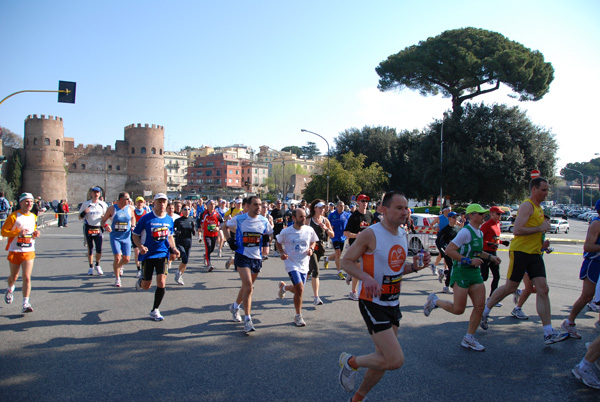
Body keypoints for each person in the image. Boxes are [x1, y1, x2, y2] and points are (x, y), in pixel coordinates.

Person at [338, 191, 431, 402]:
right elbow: (346, 262)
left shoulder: (402, 234)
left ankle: (357, 398)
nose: (404, 212)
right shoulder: (370, 234)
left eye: (405, 208)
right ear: (383, 209)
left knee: (383, 358)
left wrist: (415, 266)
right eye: (398, 208)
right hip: (372, 302)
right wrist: (365, 278)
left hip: (393, 301)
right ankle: (351, 362)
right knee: (395, 360)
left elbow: (396, 269)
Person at [480, 178, 568, 345]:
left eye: (547, 190)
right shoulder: (527, 205)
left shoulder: (539, 208)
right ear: (534, 190)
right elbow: (518, 230)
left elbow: (535, 232)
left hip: (535, 254)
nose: (546, 193)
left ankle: (548, 332)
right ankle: (485, 311)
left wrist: (543, 243)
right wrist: (540, 228)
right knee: (510, 287)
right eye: (544, 190)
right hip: (520, 252)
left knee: (543, 289)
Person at [424, 204, 502, 351]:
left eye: (483, 213)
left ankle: (469, 338)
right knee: (459, 309)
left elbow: (476, 253)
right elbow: (449, 250)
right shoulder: (465, 232)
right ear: (470, 216)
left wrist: (491, 257)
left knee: (479, 307)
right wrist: (467, 260)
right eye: (480, 214)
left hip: (474, 273)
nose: (483, 216)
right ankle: (435, 301)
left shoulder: (479, 232)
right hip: (461, 272)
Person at [225, 196, 273, 334]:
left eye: (260, 205)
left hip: (257, 258)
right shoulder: (240, 218)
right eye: (255, 205)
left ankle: (235, 306)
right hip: (242, 256)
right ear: (248, 206)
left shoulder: (264, 221)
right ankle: (247, 319)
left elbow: (270, 234)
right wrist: (229, 240)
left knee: (247, 287)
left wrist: (266, 241)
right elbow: (224, 226)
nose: (258, 207)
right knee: (248, 287)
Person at [132, 193, 180, 321]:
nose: (162, 204)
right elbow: (135, 235)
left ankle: (155, 310)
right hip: (148, 255)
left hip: (163, 253)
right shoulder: (146, 219)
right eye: (159, 202)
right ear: (154, 203)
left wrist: (174, 248)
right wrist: (140, 247)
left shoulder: (169, 219)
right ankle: (141, 281)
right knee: (146, 285)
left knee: (162, 282)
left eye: (164, 201)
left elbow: (170, 236)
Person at [561, 199, 600, 339]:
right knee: (587, 296)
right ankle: (569, 321)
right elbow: (588, 246)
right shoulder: (596, 224)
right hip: (593, 263)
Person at [276, 207, 318, 326]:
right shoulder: (286, 231)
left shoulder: (309, 230)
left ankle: (284, 288)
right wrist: (282, 253)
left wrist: (311, 248)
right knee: (299, 288)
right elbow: (278, 242)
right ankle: (298, 316)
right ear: (294, 218)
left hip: (304, 263)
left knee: (299, 290)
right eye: (301, 216)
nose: (304, 218)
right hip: (291, 263)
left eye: (305, 216)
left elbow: (313, 241)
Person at [3, 193, 41, 313]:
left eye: (31, 202)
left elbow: (32, 229)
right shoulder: (14, 216)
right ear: (21, 203)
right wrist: (17, 233)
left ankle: (25, 303)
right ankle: (10, 288)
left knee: (27, 277)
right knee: (13, 277)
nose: (29, 204)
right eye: (26, 202)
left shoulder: (33, 216)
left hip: (28, 250)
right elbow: (4, 232)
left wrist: (35, 233)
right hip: (15, 250)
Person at [101, 192, 136, 287]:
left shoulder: (130, 208)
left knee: (127, 259)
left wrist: (133, 225)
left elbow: (133, 217)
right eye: (127, 198)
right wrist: (106, 226)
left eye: (129, 199)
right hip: (115, 237)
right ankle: (117, 279)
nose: (129, 200)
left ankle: (119, 266)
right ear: (120, 199)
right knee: (117, 257)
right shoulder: (112, 209)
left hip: (126, 237)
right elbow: (103, 220)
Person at [344, 194, 373, 301]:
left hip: (368, 246)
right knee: (359, 268)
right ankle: (353, 292)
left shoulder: (370, 215)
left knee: (367, 269)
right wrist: (357, 235)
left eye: (366, 201)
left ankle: (350, 273)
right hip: (356, 246)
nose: (365, 203)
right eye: (363, 201)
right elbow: (346, 233)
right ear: (358, 203)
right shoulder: (354, 217)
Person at [480, 206, 511, 305]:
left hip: (493, 253)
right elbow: (480, 239)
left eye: (501, 214)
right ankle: (469, 290)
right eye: (498, 214)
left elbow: (495, 238)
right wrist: (487, 243)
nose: (500, 216)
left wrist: (502, 242)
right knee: (484, 277)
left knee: (496, 276)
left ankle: (492, 298)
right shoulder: (486, 225)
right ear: (492, 214)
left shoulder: (497, 224)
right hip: (485, 253)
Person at [307, 199, 334, 306]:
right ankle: (316, 297)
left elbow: (332, 234)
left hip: (320, 248)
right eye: (320, 207)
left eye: (323, 207)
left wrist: (326, 229)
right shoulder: (309, 220)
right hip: (310, 248)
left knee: (308, 272)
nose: (322, 209)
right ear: (315, 208)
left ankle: (289, 287)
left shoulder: (325, 220)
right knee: (316, 270)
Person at [79, 186, 109, 276]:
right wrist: (84, 212)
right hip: (89, 227)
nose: (96, 194)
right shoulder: (85, 204)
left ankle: (98, 265)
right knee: (90, 248)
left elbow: (107, 216)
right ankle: (91, 267)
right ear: (91, 193)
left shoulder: (103, 204)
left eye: (98, 192)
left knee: (99, 249)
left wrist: (105, 219)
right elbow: (79, 217)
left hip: (98, 228)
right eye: (94, 192)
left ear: (100, 194)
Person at [435, 211, 460, 293]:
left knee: (455, 268)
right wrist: (441, 251)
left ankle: (443, 272)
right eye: (454, 217)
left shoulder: (458, 229)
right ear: (449, 218)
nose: (455, 219)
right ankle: (446, 286)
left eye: (456, 217)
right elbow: (438, 241)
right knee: (452, 267)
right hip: (447, 251)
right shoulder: (445, 230)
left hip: (456, 252)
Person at [173, 203, 197, 284]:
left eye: (188, 209)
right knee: (184, 258)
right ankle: (178, 273)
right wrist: (176, 232)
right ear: (182, 211)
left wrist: (194, 229)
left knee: (185, 262)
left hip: (188, 242)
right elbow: (172, 230)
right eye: (185, 209)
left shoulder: (191, 220)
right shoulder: (178, 221)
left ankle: (179, 275)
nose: (187, 211)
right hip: (180, 242)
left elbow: (194, 233)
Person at [328, 201, 351, 280]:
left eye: (343, 206)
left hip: (343, 237)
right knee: (338, 252)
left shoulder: (347, 215)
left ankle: (327, 258)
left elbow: (350, 224)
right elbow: (328, 225)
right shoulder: (332, 215)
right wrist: (330, 229)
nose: (342, 207)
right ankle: (339, 272)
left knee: (339, 253)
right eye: (340, 206)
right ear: (337, 206)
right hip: (335, 237)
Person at [200, 200, 222, 272]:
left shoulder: (217, 214)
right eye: (211, 204)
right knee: (208, 247)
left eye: (213, 204)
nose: (212, 206)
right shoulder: (204, 213)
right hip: (206, 234)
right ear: (207, 205)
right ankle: (209, 265)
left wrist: (218, 228)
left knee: (211, 249)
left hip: (214, 234)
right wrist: (200, 226)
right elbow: (198, 220)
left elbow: (222, 223)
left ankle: (205, 255)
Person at [133, 197, 151, 278]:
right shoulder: (132, 212)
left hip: (144, 234)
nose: (140, 204)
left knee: (143, 250)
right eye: (138, 202)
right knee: (137, 251)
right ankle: (138, 269)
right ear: (135, 203)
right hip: (135, 234)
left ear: (144, 203)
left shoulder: (146, 213)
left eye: (141, 202)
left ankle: (143, 267)